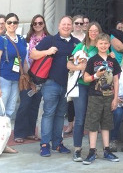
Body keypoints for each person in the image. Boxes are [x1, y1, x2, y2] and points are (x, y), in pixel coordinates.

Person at [31, 15, 80, 157]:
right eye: (63, 24)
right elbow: (33, 54)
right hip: (51, 83)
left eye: (68, 24)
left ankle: (57, 143)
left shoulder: (76, 43)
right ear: (59, 26)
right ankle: (45, 144)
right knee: (48, 114)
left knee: (60, 116)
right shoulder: (50, 40)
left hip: (67, 86)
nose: (66, 26)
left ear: (72, 27)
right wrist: (47, 51)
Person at [0, 13, 28, 157]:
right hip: (3, 79)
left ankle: (3, 144)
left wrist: (28, 76)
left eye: (15, 22)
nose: (12, 25)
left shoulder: (22, 40)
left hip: (16, 80)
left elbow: (23, 61)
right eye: (9, 22)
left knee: (9, 112)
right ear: (5, 24)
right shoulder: (1, 40)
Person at [81, 33, 121, 165]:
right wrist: (96, 76)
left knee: (106, 124)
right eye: (101, 43)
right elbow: (85, 78)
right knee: (93, 124)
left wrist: (116, 98)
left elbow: (116, 80)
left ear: (109, 45)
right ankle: (92, 151)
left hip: (109, 96)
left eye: (105, 43)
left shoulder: (112, 60)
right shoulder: (92, 60)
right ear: (96, 45)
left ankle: (107, 150)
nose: (103, 46)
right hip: (95, 96)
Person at [67, 21, 102, 162]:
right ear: (88, 32)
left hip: (97, 86)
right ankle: (77, 149)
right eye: (91, 31)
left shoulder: (102, 47)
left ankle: (92, 149)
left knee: (94, 118)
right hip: (81, 85)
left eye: (96, 31)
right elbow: (69, 63)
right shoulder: (81, 46)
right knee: (80, 118)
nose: (93, 33)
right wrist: (79, 67)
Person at [13, 14, 50, 143]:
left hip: (41, 77)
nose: (38, 25)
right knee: (25, 104)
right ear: (32, 25)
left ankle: (29, 131)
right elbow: (20, 56)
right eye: (35, 23)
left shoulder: (49, 40)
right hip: (28, 75)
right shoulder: (26, 40)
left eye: (40, 23)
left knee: (35, 104)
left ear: (44, 24)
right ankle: (19, 132)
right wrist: (21, 71)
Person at [65, 15, 86, 135]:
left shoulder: (86, 38)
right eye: (76, 23)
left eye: (81, 23)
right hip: (71, 71)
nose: (78, 26)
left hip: (83, 73)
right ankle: (70, 124)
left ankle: (81, 125)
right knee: (70, 100)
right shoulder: (69, 36)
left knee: (80, 101)